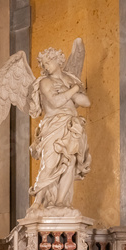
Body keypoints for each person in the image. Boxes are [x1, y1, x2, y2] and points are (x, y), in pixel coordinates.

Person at [29, 47, 91, 212]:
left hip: (72, 125)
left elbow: (86, 102)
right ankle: (37, 203)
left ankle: (61, 202)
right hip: (53, 125)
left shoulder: (70, 79)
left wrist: (71, 91)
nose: (45, 66)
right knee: (49, 164)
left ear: (58, 60)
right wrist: (73, 90)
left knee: (69, 163)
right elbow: (56, 102)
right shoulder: (44, 82)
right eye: (43, 63)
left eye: (48, 62)